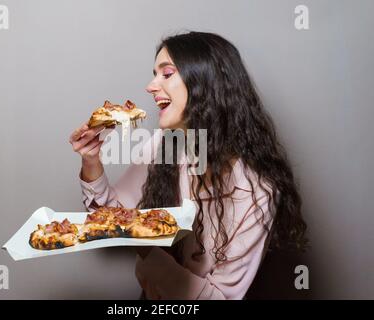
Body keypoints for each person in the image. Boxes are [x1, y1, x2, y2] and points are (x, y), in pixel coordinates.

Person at [69, 31, 307, 300]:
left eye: (166, 74)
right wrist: (91, 161)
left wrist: (142, 245)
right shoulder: (167, 144)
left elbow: (221, 298)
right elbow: (109, 218)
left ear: (204, 84)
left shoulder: (257, 190)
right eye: (155, 74)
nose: (150, 86)